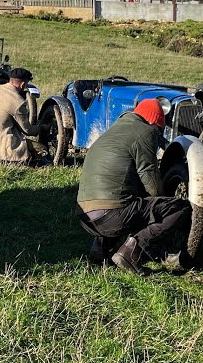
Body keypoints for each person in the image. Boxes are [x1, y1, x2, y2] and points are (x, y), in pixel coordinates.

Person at [76, 99, 191, 273]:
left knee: (121, 194)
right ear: (155, 122)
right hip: (111, 216)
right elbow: (148, 174)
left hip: (86, 217)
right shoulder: (145, 131)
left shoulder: (114, 131)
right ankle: (132, 252)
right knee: (179, 209)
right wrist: (162, 201)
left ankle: (100, 248)